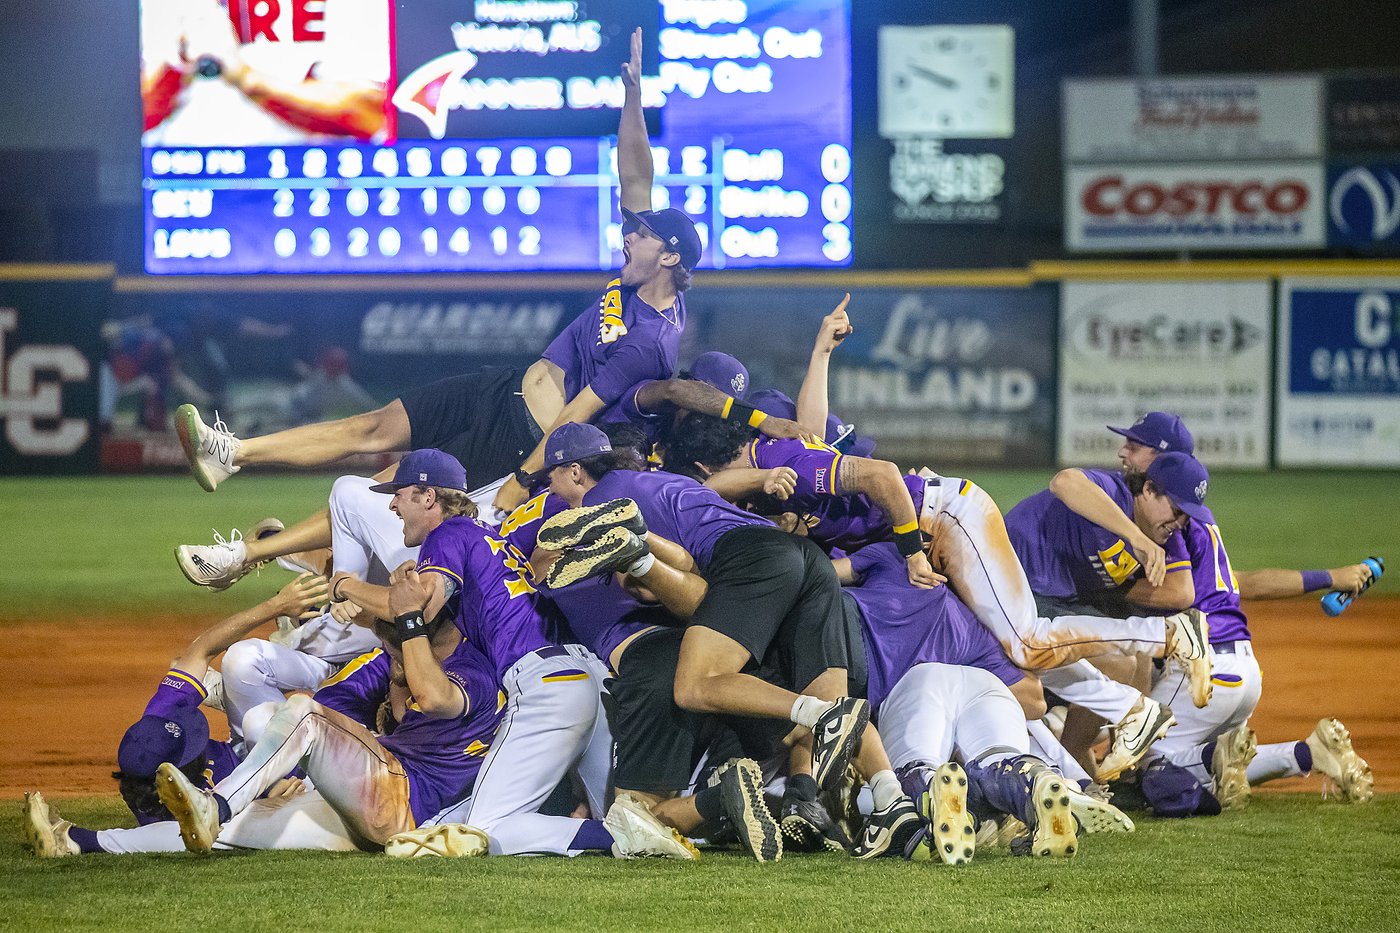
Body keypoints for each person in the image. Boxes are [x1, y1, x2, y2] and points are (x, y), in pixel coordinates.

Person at [140, 0, 389, 146]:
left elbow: (370, 114)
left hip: (304, 188)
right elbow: (119, 126)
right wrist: (176, 66)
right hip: (182, 193)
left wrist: (248, 80)